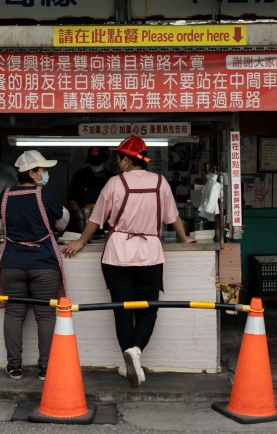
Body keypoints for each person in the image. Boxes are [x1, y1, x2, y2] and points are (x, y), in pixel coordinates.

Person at [62, 136, 195, 388]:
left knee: (123, 309)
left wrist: (80, 242)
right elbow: (172, 216)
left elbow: (96, 219)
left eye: (119, 158)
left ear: (125, 160)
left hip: (118, 254)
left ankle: (129, 358)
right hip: (150, 254)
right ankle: (137, 349)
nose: (117, 162)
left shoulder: (114, 183)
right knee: (148, 308)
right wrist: (184, 237)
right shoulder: (160, 182)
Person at [0, 150, 69, 381]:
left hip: (12, 264)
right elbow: (63, 220)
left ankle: (14, 367)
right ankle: (45, 369)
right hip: (43, 264)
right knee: (45, 316)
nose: (45, 174)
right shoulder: (44, 194)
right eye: (42, 170)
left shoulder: (5, 195)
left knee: (14, 314)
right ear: (32, 173)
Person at [67, 146, 116, 227]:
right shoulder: (80, 175)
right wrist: (82, 217)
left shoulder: (113, 178)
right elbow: (72, 202)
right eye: (92, 162)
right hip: (83, 223)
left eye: (97, 162)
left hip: (106, 224)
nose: (94, 165)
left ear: (105, 161)